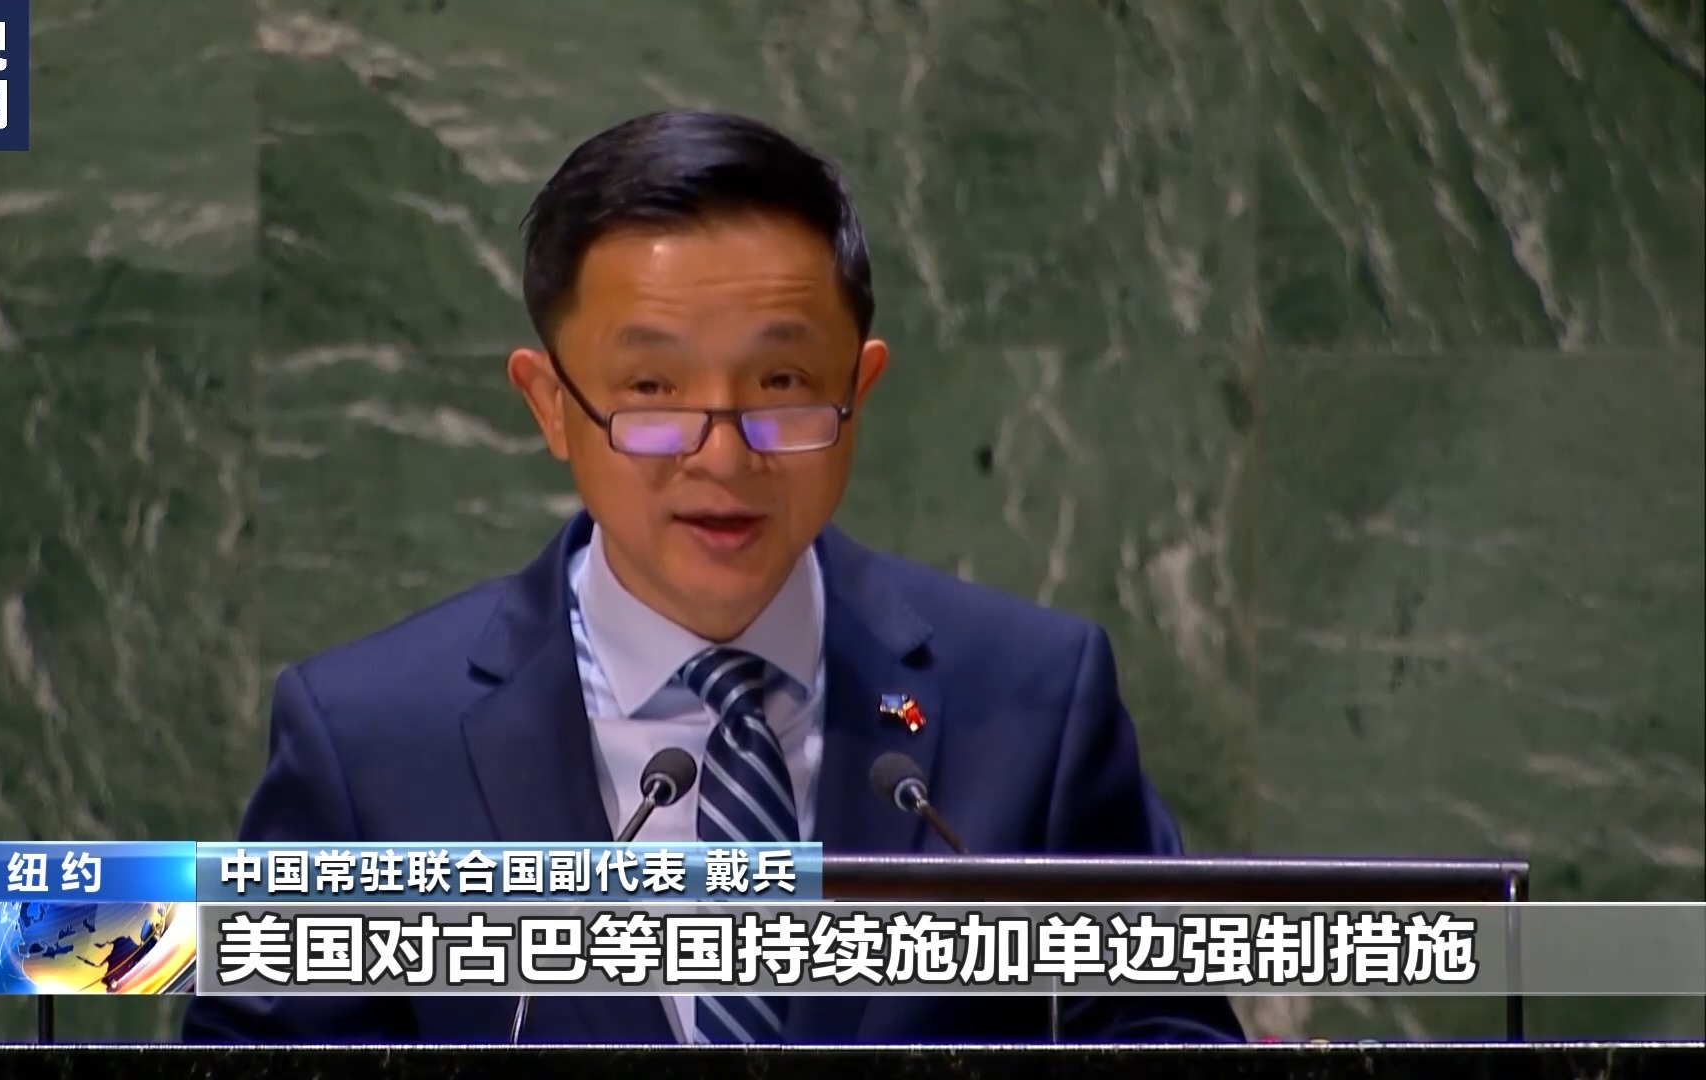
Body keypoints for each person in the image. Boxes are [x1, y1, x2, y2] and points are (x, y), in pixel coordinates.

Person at [183, 109, 1244, 1045]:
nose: (724, 456)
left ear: (858, 390)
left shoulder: (1034, 699)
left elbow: (1167, 1031)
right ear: (551, 406)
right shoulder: (370, 741)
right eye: (652, 388)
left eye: (782, 382)